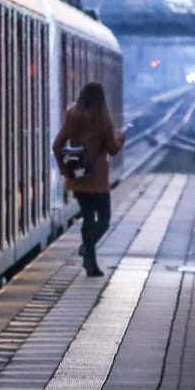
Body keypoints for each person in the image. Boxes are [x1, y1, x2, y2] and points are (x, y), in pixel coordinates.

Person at [53, 81, 126, 277]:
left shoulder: (72, 115)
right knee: (103, 220)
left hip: (77, 179)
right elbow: (112, 148)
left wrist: (64, 170)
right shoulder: (104, 119)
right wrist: (121, 137)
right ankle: (87, 248)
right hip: (98, 180)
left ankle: (91, 265)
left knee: (88, 218)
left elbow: (57, 145)